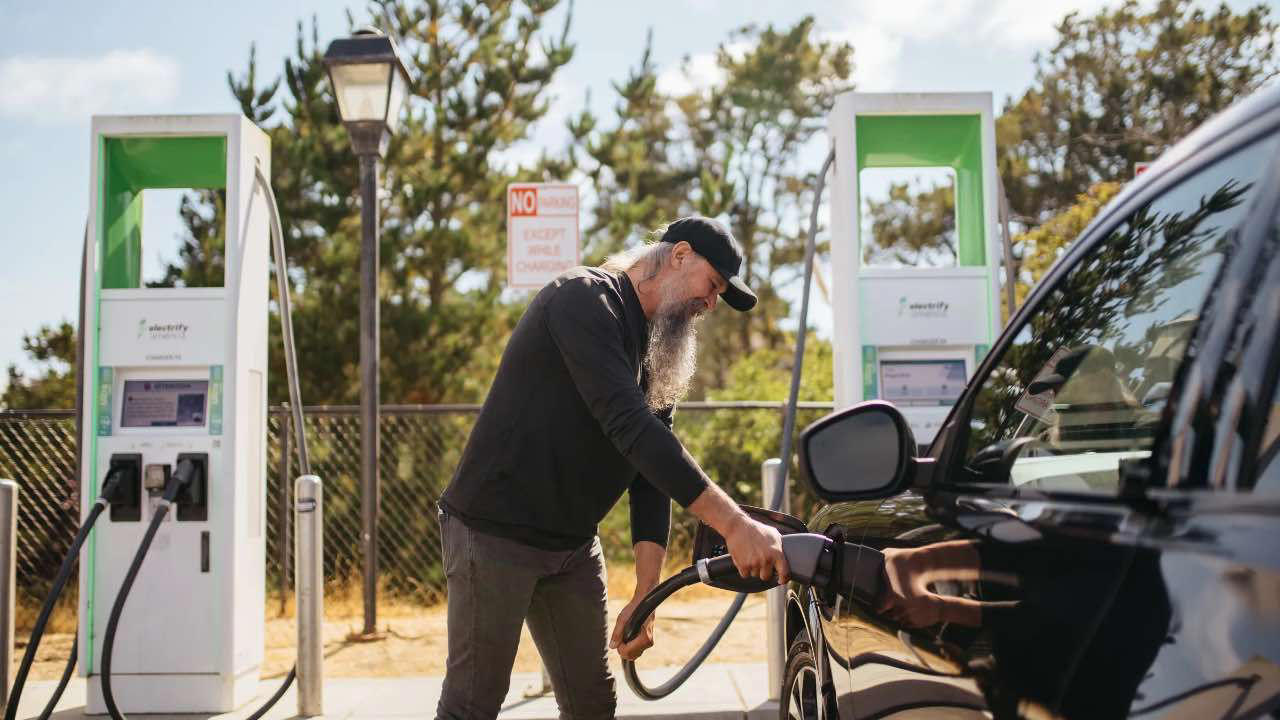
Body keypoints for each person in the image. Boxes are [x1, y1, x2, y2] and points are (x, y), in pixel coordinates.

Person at [435, 216, 790, 719]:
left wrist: (647, 592)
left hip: (571, 546)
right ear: (680, 254)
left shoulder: (660, 347)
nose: (711, 304)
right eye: (713, 286)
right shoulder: (581, 300)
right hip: (493, 534)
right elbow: (630, 427)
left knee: (592, 705)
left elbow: (649, 470)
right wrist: (733, 524)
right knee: (473, 705)